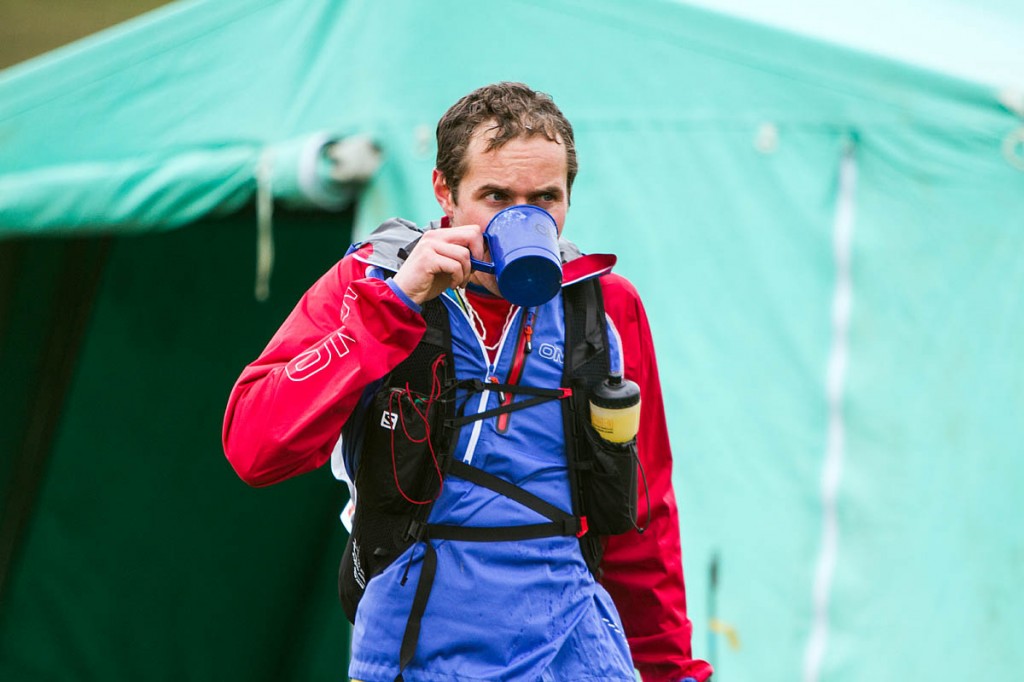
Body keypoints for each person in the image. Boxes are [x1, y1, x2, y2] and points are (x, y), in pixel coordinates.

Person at [223, 82, 712, 682]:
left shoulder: (604, 305)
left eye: (546, 199)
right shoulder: (370, 282)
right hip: (415, 646)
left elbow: (645, 516)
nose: (524, 217)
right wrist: (395, 305)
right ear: (443, 192)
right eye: (496, 196)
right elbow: (255, 447)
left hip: (574, 651)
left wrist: (672, 674)